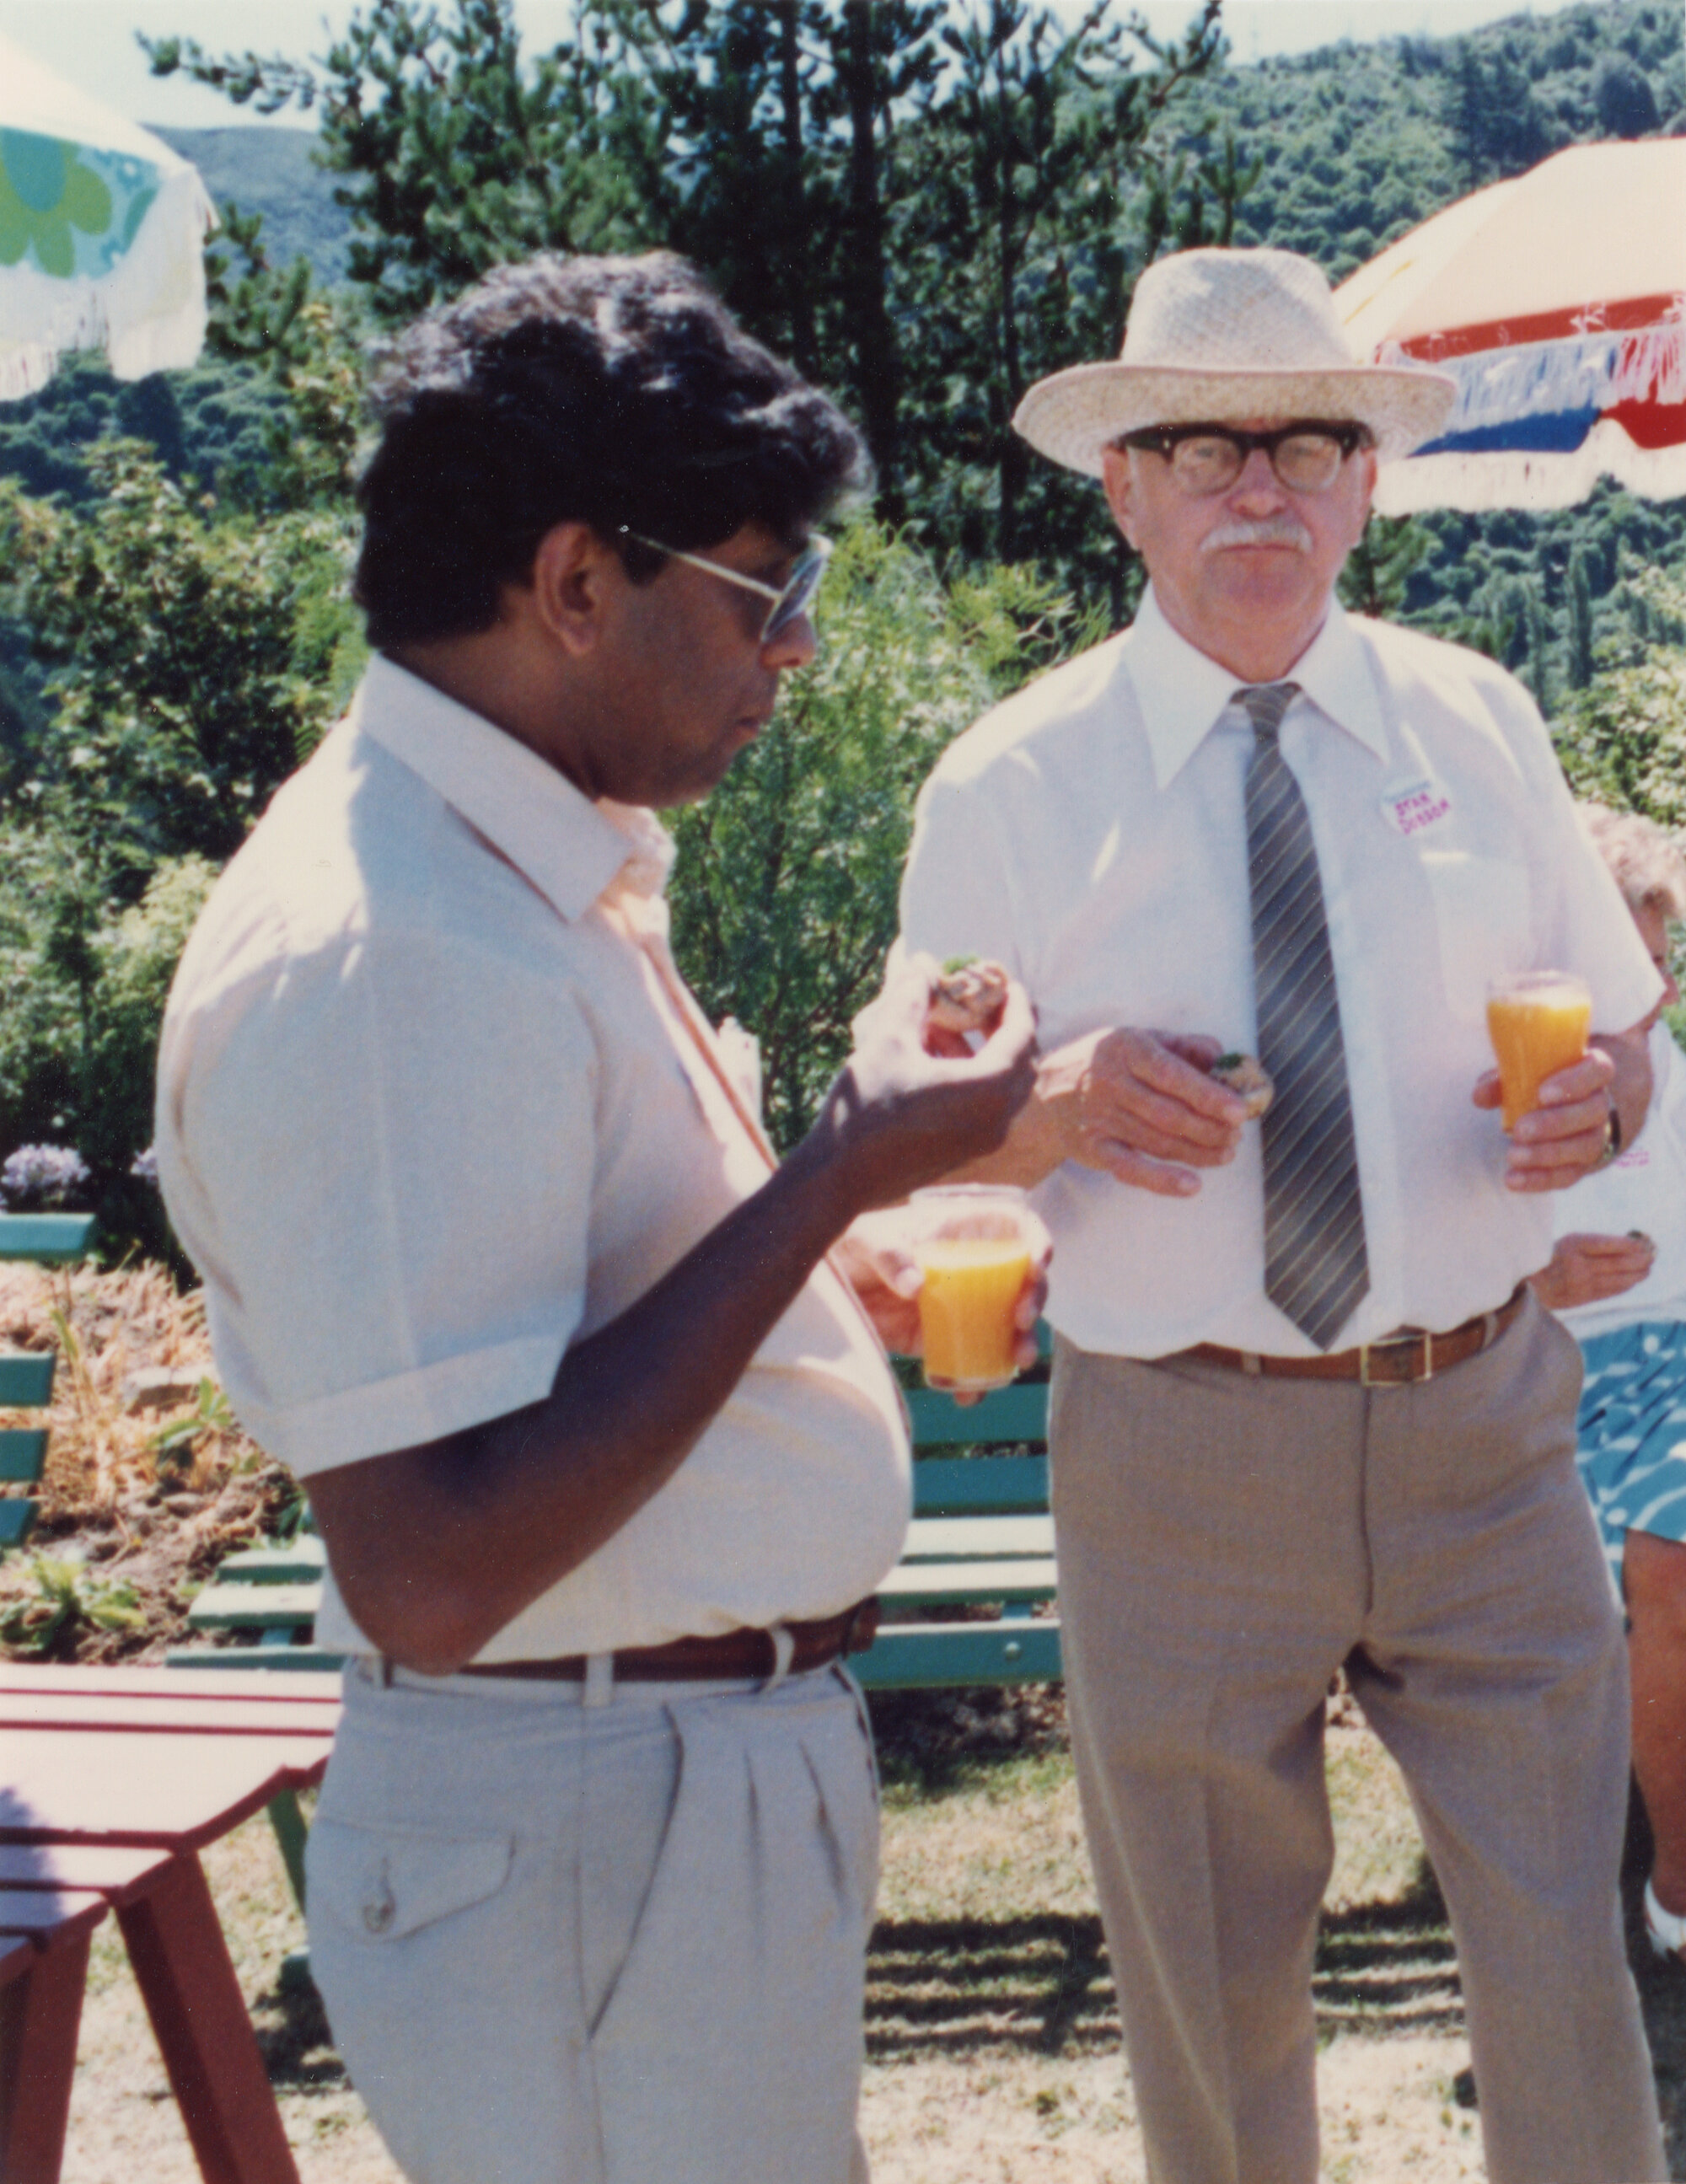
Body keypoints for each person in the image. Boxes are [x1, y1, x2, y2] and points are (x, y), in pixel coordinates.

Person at [153, 251, 1044, 2184]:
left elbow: (562, 1310)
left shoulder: (504, 863)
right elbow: (434, 1570)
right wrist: (833, 1169)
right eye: (765, 591)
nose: (792, 650)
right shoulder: (392, 947)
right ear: (575, 583)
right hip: (584, 1814)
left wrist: (828, 1252)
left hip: (643, 1793)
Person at [895, 244, 1667, 2183]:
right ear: (1123, 486)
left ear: (1364, 479)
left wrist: (1606, 1093)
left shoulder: (1474, 718)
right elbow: (916, 1132)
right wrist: (1053, 1104)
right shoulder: (1008, 781)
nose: (1262, 487)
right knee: (1213, 1999)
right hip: (1177, 1448)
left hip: (1485, 1430)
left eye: (1307, 442)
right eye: (1203, 445)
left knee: (1565, 1958)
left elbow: (1632, 1035)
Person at [1530, 805, 1686, 1970]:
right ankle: (1596, 1890)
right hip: (1535, 1374)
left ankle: (1674, 1882)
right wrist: (1532, 1284)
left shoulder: (1674, 1083)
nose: (1659, 990)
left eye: (1664, 962)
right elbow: (1409, 1273)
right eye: (1632, 966)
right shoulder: (1500, 1088)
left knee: (1666, 1553)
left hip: (1676, 1366)